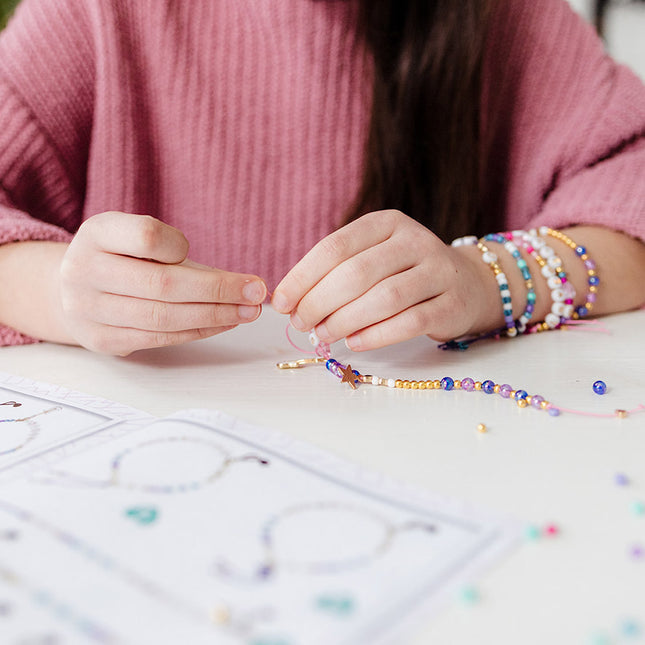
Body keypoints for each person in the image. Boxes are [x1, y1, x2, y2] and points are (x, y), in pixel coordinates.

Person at [0, 0, 643, 356]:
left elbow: (632, 190)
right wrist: (60, 292)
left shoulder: (502, 19)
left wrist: (481, 282)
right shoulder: (95, 14)